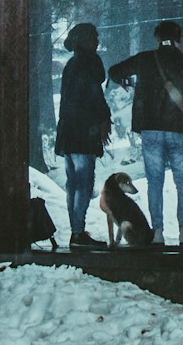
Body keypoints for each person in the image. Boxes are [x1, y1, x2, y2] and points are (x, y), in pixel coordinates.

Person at [108, 20, 183, 246]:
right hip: (179, 130)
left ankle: (157, 232)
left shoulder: (145, 59)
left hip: (151, 129)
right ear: (178, 39)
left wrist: (126, 81)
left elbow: (114, 71)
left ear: (157, 39)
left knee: (155, 183)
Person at [54, 22, 111, 249]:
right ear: (86, 40)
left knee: (73, 185)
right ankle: (78, 233)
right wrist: (104, 118)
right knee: (83, 184)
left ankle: (76, 231)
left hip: (68, 133)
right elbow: (95, 95)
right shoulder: (89, 63)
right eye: (94, 37)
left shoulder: (71, 65)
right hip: (84, 133)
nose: (97, 41)